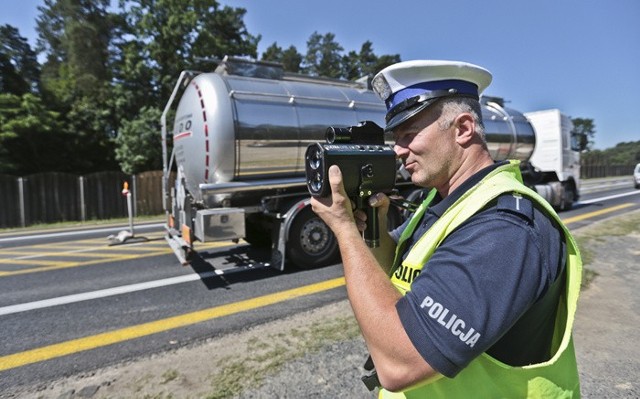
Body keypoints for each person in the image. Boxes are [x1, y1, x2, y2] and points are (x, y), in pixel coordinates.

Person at [310, 60, 582, 398]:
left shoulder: (504, 228)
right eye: (396, 137)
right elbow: (398, 270)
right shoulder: (443, 201)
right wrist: (371, 222)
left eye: (409, 134)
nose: (397, 150)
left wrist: (343, 230)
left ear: (464, 128)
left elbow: (399, 365)